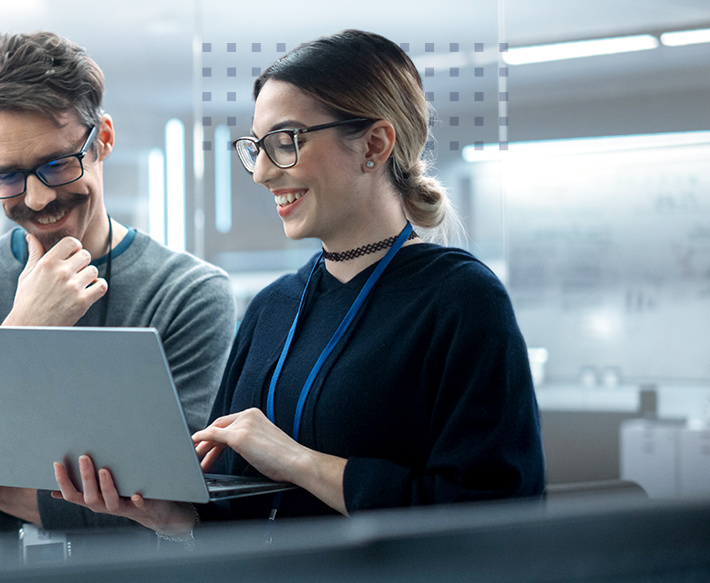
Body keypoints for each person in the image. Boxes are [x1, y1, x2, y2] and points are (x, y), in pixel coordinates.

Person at [53, 29, 546, 540]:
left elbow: (496, 516)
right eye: (257, 148)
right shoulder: (273, 308)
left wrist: (296, 460)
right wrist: (172, 517)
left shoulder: (461, 301)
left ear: (374, 144)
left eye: (286, 142)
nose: (263, 173)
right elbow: (231, 508)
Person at [0, 30, 236, 560]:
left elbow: (177, 501)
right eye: (9, 176)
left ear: (102, 139)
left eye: (57, 164)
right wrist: (22, 331)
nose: (38, 198)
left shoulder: (190, 294)